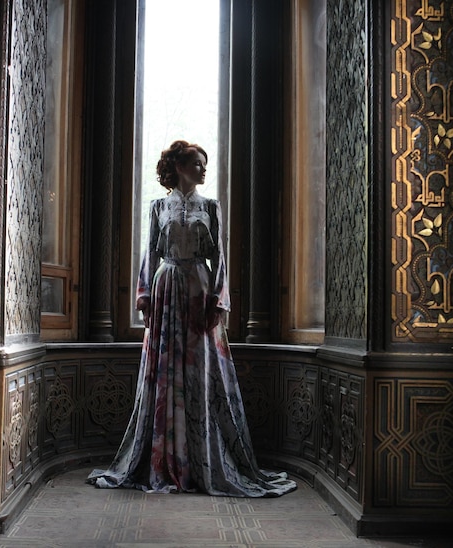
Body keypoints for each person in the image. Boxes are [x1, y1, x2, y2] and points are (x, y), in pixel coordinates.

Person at [87, 140, 297, 497]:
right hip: (167, 289)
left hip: (199, 289)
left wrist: (218, 300)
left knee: (201, 371)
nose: (203, 170)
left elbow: (221, 257)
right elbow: (150, 255)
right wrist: (145, 295)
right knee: (165, 371)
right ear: (180, 166)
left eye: (204, 164)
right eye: (197, 164)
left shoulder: (210, 207)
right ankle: (164, 459)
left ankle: (202, 458)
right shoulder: (158, 208)